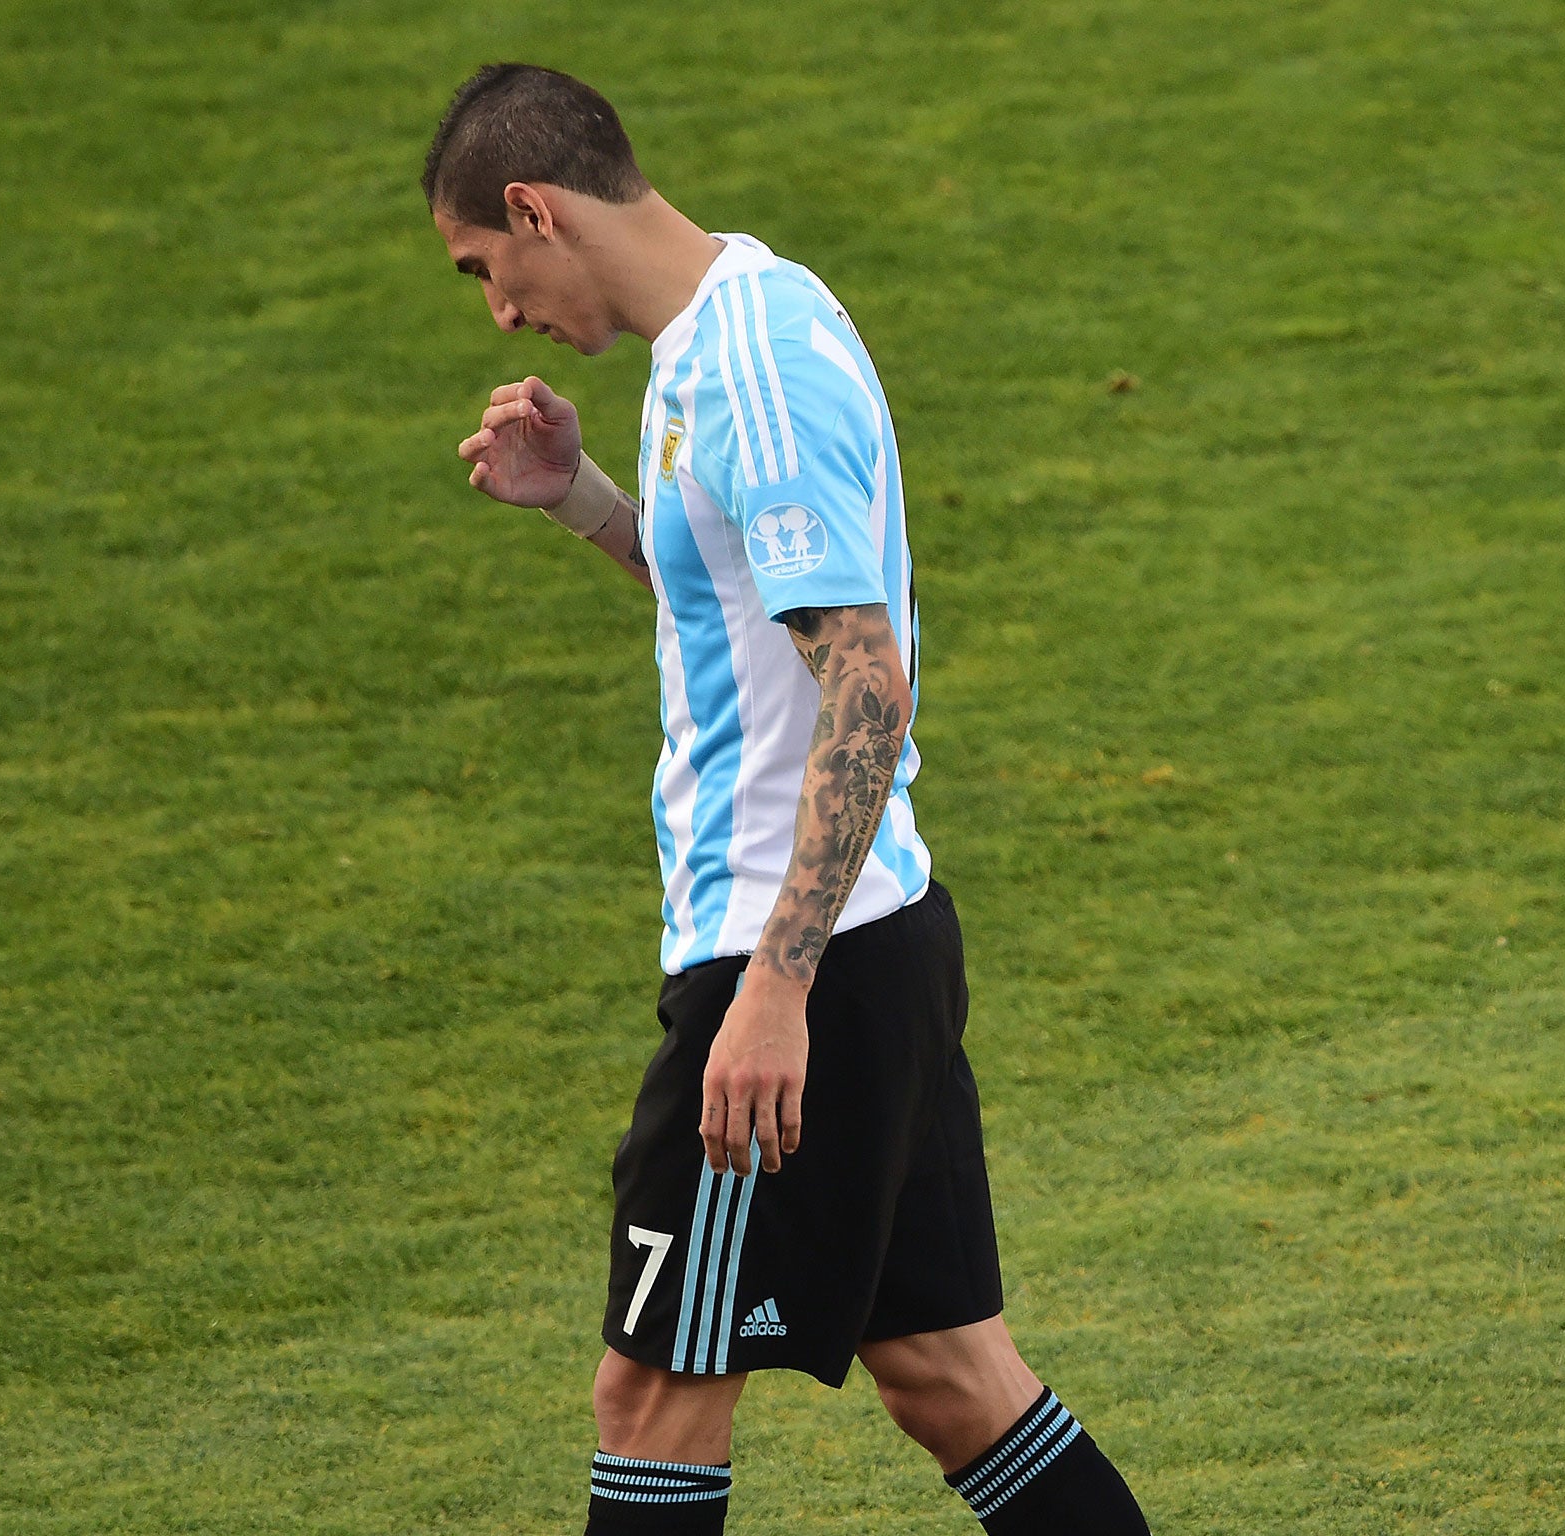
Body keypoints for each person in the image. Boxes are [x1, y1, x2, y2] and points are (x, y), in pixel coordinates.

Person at [423, 62, 1151, 1535]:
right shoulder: (729, 328)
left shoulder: (747, 364)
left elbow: (866, 689)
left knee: (653, 1397)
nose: (498, 311)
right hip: (860, 942)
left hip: (797, 965)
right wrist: (581, 502)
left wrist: (775, 986)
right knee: (950, 1379)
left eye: (484, 270)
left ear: (532, 208)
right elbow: (756, 604)